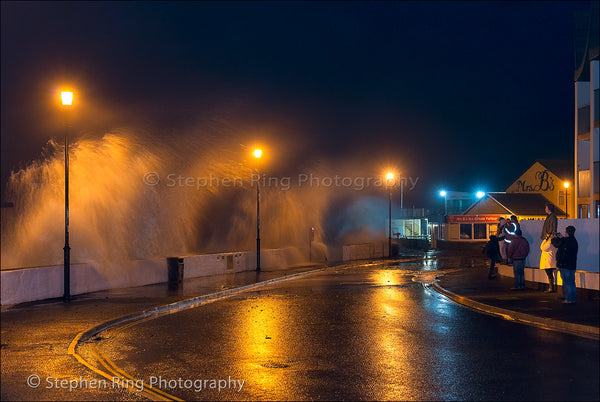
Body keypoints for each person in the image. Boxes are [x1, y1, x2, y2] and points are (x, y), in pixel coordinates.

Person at [551, 225, 578, 304]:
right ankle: (573, 298)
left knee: (566, 282)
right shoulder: (574, 241)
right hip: (572, 265)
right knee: (572, 282)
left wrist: (553, 238)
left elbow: (557, 244)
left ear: (567, 232)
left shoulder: (566, 241)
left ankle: (568, 299)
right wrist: (560, 236)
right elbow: (563, 241)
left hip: (564, 265)